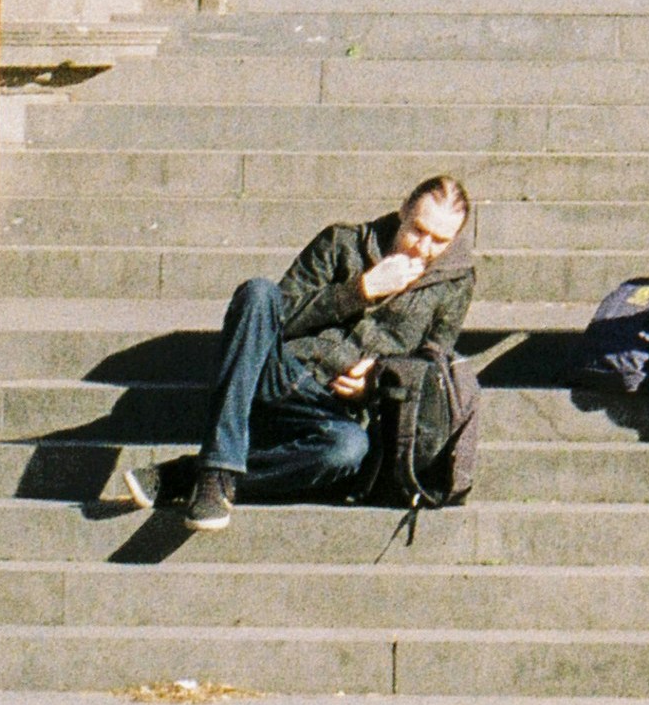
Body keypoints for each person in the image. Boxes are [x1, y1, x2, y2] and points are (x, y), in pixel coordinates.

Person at [97, 177, 478, 530]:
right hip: (276, 373)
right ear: (402, 210)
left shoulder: (454, 284)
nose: (423, 248)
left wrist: (376, 381)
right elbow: (278, 315)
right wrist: (360, 290)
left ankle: (190, 474)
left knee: (347, 450)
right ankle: (217, 466)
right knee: (259, 293)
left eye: (439, 241)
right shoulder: (341, 242)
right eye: (417, 230)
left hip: (329, 408)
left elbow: (431, 367)